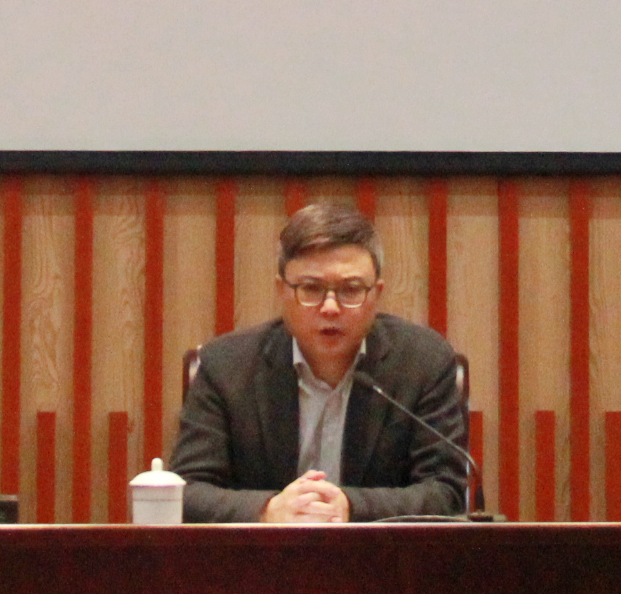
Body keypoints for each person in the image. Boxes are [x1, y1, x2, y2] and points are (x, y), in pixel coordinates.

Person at [168, 199, 472, 523]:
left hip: (380, 553)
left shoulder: (423, 363)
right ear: (281, 291)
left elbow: (446, 492)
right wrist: (269, 510)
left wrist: (349, 507)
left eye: (351, 289)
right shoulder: (226, 366)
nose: (330, 308)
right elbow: (187, 491)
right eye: (311, 288)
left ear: (377, 293)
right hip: (263, 552)